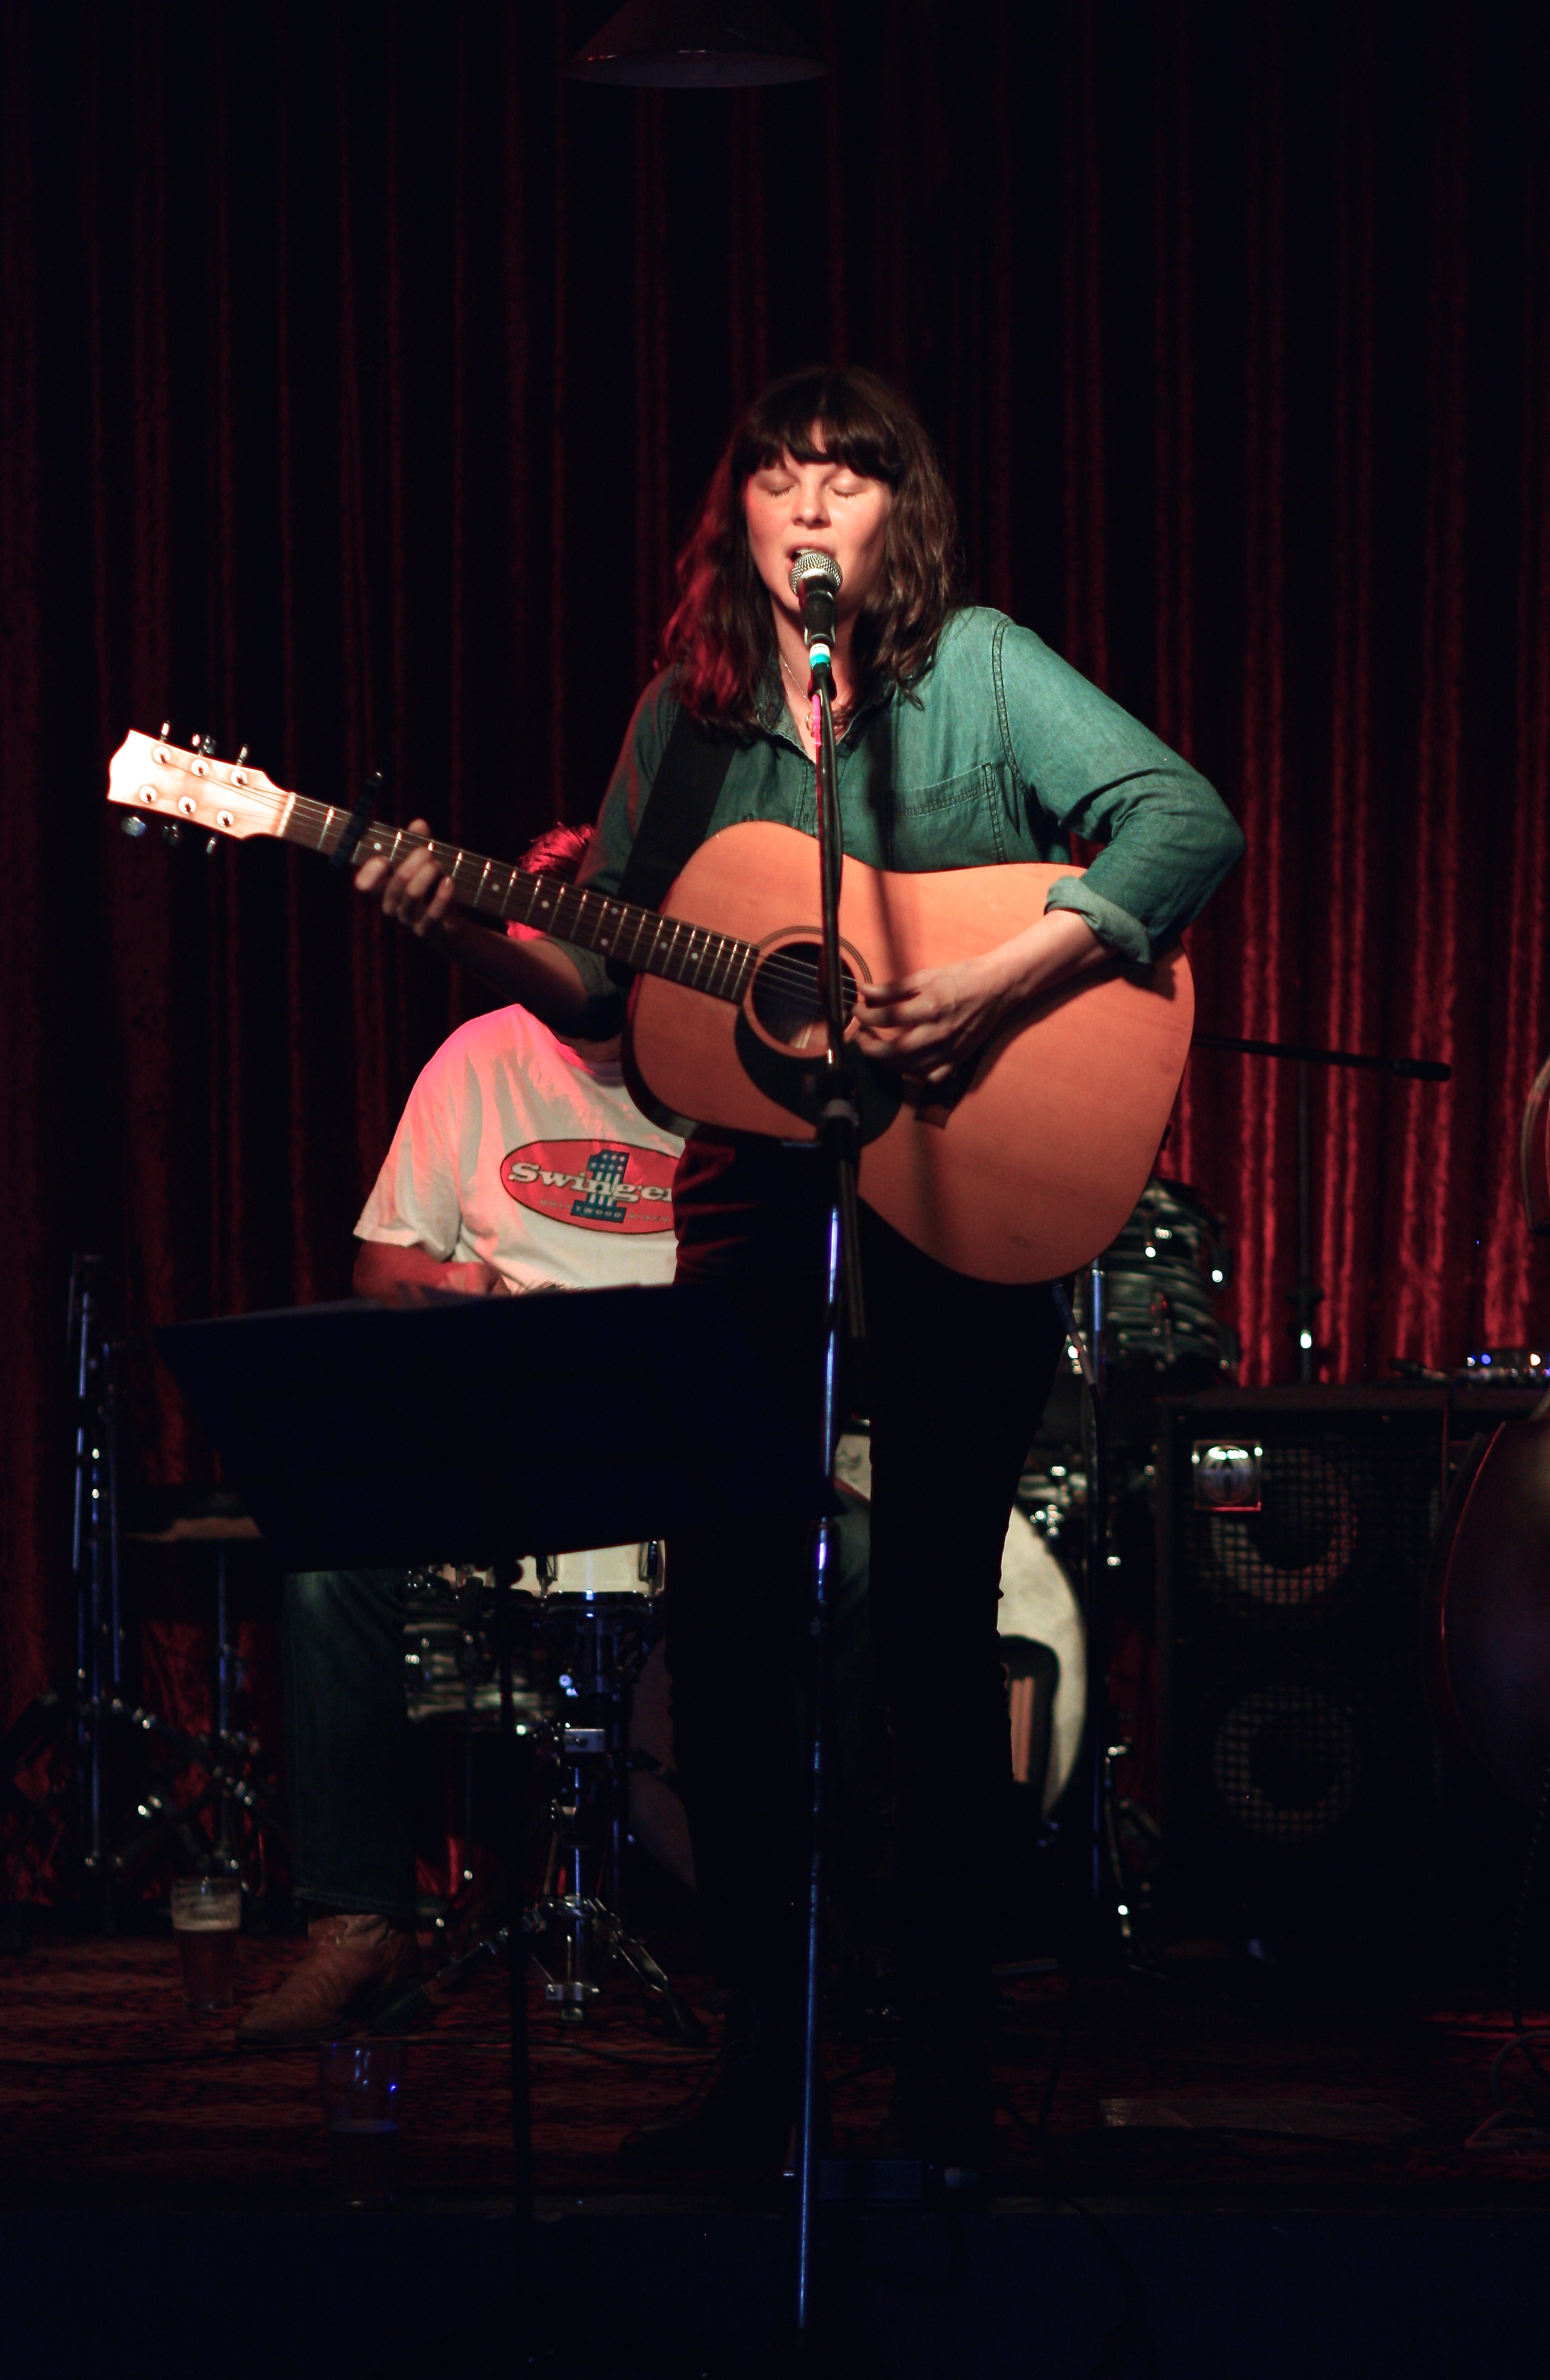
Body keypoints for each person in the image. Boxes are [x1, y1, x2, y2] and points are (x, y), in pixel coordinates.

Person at [357, 366, 1244, 2177]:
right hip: (753, 1207)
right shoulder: (680, 726)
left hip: (962, 1191)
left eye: (851, 473)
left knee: (930, 1631)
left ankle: (945, 2078)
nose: (813, 501)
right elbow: (604, 981)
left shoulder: (977, 671)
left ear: (897, 512)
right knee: (731, 1632)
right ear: (739, 515)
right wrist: (471, 921)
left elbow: (1184, 822)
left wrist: (995, 979)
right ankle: (768, 2056)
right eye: (779, 474)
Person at [237, 825, 685, 2046]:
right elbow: (381, 1268)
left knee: (857, 1561)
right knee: (333, 1553)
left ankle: (829, 1936)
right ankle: (357, 1929)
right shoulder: (478, 1057)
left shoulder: (723, 1075)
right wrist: (464, 1297)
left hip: (679, 1459)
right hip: (507, 1452)